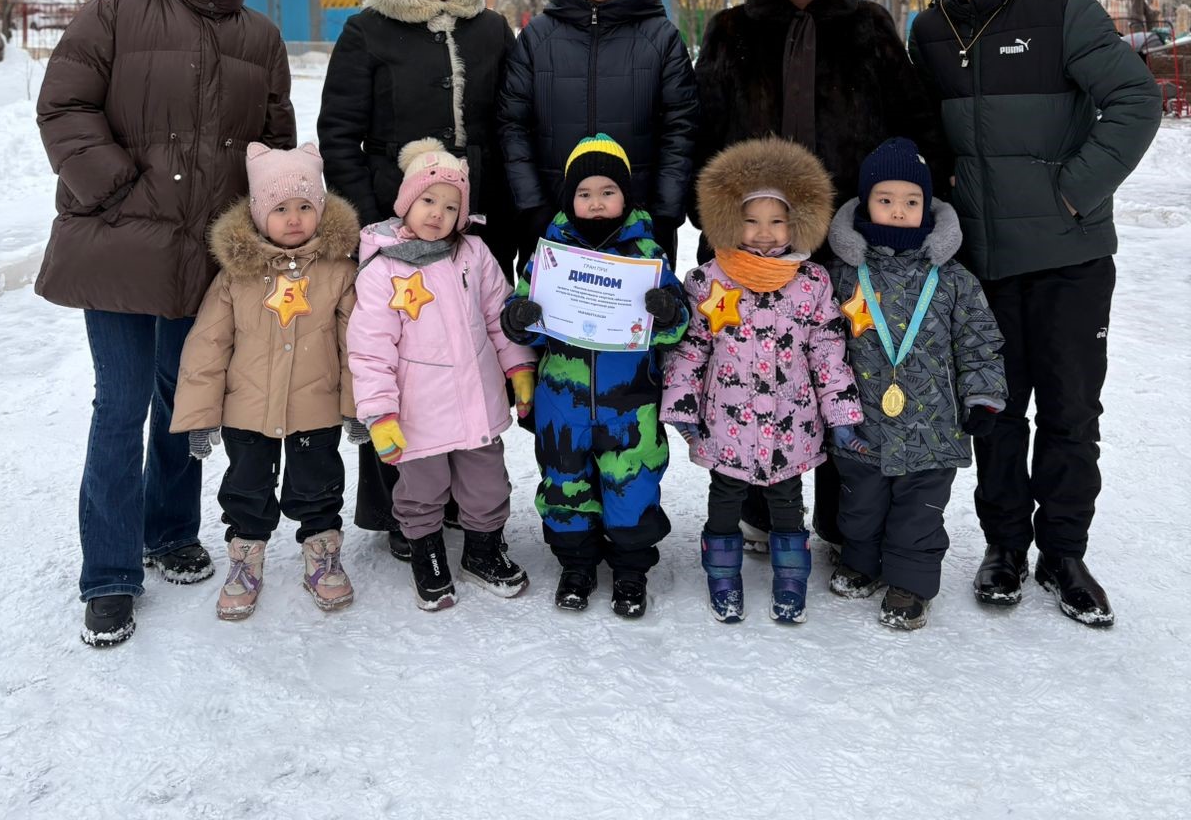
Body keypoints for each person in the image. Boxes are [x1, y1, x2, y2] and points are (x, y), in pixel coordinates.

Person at [34, 0, 295, 647]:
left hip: (210, 252)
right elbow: (64, 106)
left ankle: (171, 529)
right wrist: (115, 187)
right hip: (122, 240)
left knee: (187, 400)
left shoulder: (261, 35)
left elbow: (273, 142)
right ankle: (110, 574)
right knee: (120, 405)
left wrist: (269, 225)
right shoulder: (116, 11)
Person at [909, 0, 1162, 626]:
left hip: (1067, 257)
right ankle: (1004, 549)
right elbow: (923, 130)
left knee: (1070, 410)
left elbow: (1135, 101)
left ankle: (1064, 553)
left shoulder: (1061, 7)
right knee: (993, 410)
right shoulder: (929, 28)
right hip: (980, 263)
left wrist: (1073, 193)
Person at [692, 0, 947, 554]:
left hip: (849, 237)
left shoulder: (869, 26)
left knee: (844, 371)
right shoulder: (730, 30)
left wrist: (918, 206)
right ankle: (757, 507)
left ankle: (841, 517)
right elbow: (701, 127)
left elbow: (913, 119)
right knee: (753, 371)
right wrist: (712, 216)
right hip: (753, 238)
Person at [319, 0, 517, 560]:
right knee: (402, 361)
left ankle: (466, 500)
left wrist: (506, 204)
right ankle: (400, 509)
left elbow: (512, 118)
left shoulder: (491, 29)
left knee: (467, 354)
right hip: (394, 221)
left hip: (475, 224)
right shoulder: (367, 30)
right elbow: (339, 132)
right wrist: (369, 213)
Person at [661, 136, 862, 625]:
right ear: (730, 220)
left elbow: (828, 351)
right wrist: (682, 406)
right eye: (751, 220)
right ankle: (722, 573)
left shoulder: (811, 282)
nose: (765, 233)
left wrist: (841, 414)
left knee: (787, 501)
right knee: (725, 498)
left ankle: (790, 577)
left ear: (798, 223)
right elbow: (691, 349)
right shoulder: (708, 280)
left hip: (793, 425)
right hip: (725, 424)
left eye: (777, 221)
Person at [501, 133, 688, 618]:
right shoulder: (550, 255)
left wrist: (668, 312)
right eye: (584, 193)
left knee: (632, 485)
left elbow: (676, 328)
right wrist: (519, 317)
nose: (597, 202)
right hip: (562, 405)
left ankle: (630, 570)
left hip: (630, 404)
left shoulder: (646, 252)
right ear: (570, 200)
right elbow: (522, 314)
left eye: (608, 191)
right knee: (565, 485)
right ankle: (576, 565)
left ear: (626, 196)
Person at [170, 142, 360, 620]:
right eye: (280, 209)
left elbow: (356, 346)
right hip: (247, 412)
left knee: (319, 486)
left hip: (315, 409)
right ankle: (245, 557)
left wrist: (358, 408)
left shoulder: (340, 272)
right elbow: (207, 348)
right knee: (246, 488)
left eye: (304, 207)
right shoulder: (236, 276)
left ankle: (322, 551)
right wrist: (200, 416)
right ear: (258, 214)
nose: (294, 219)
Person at [347, 139, 536, 611]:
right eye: (428, 200)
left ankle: (482, 552)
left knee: (487, 485)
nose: (438, 213)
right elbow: (370, 349)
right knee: (422, 490)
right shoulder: (382, 268)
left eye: (451, 207)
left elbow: (499, 316)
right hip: (419, 412)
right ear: (406, 202)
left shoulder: (473, 253)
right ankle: (427, 556)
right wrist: (380, 413)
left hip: (477, 403)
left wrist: (518, 367)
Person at [826, 138, 1007, 630]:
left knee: (919, 513)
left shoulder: (952, 279)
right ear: (864, 203)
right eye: (885, 199)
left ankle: (911, 582)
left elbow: (979, 341)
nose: (899, 210)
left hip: (934, 427)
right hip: (862, 421)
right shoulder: (843, 276)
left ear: (928, 207)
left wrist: (983, 397)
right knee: (860, 503)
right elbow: (819, 341)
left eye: (911, 201)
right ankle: (861, 561)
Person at [499, 0, 698, 266]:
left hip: (640, 227)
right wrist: (533, 207)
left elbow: (681, 128)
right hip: (552, 221)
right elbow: (513, 125)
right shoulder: (537, 37)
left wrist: (664, 212)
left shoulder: (661, 38)